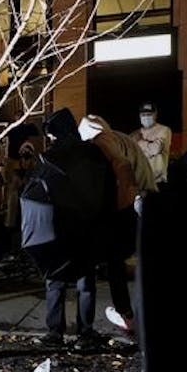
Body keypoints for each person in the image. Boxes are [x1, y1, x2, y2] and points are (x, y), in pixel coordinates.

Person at [22, 108, 116, 350]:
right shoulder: (94, 154)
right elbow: (108, 191)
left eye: (52, 135)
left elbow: (37, 193)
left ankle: (55, 332)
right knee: (86, 281)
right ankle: (86, 332)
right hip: (89, 226)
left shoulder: (50, 159)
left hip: (60, 226)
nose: (50, 139)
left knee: (55, 279)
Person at [77, 114, 155, 335]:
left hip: (128, 206)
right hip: (143, 199)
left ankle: (127, 315)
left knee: (115, 264)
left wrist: (117, 206)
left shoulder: (102, 140)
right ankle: (139, 313)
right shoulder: (121, 137)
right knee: (137, 261)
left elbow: (122, 168)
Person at [133, 102, 173, 186]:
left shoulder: (164, 130)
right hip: (139, 181)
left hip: (157, 181)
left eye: (149, 114)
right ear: (140, 116)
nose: (146, 117)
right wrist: (149, 148)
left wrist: (140, 141)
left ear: (155, 115)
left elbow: (156, 149)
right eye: (143, 115)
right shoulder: (135, 133)